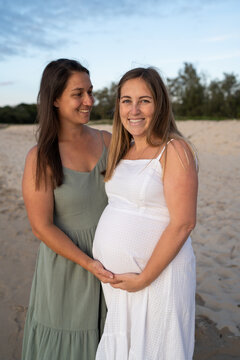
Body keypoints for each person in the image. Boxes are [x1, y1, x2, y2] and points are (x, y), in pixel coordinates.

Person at [93, 67, 198, 359]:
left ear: (160, 104)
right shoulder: (121, 149)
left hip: (158, 278)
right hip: (121, 285)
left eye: (145, 100)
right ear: (118, 106)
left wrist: (144, 279)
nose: (134, 110)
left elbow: (184, 223)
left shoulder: (174, 150)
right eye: (126, 100)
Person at [21, 58, 117, 360]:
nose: (89, 101)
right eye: (79, 94)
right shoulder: (41, 157)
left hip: (113, 263)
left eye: (90, 91)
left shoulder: (108, 141)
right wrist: (89, 263)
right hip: (69, 265)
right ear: (55, 100)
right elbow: (42, 227)